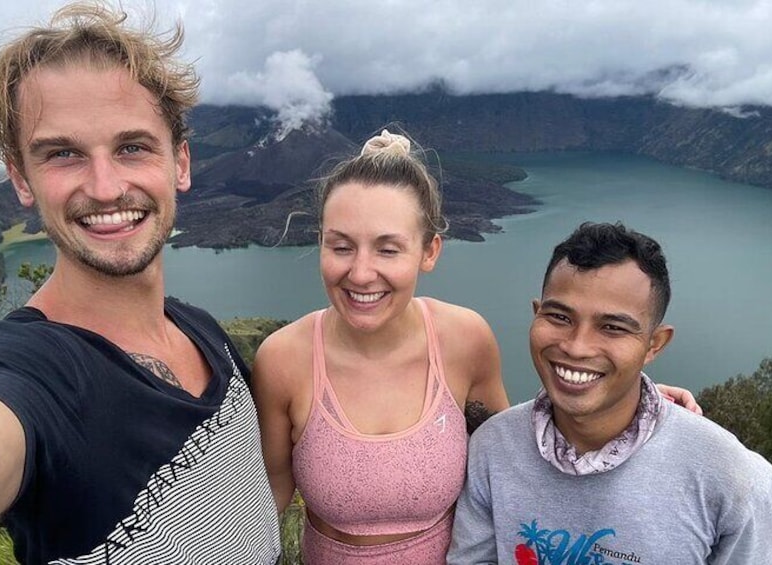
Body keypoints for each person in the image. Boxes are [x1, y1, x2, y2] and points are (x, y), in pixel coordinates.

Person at [252, 133, 701, 564]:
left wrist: (633, 402)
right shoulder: (284, 360)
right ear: (321, 245)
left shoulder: (463, 340)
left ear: (429, 252)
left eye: (388, 250)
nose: (362, 272)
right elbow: (269, 496)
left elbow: (519, 447)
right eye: (341, 246)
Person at [0, 3, 280, 564]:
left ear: (179, 163)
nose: (106, 188)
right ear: (21, 180)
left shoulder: (202, 332)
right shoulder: (32, 370)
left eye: (133, 147)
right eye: (63, 154)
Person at [447, 222, 772, 564]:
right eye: (559, 317)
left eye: (612, 327)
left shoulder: (735, 482)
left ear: (655, 344)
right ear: (537, 314)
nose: (577, 347)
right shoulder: (493, 448)